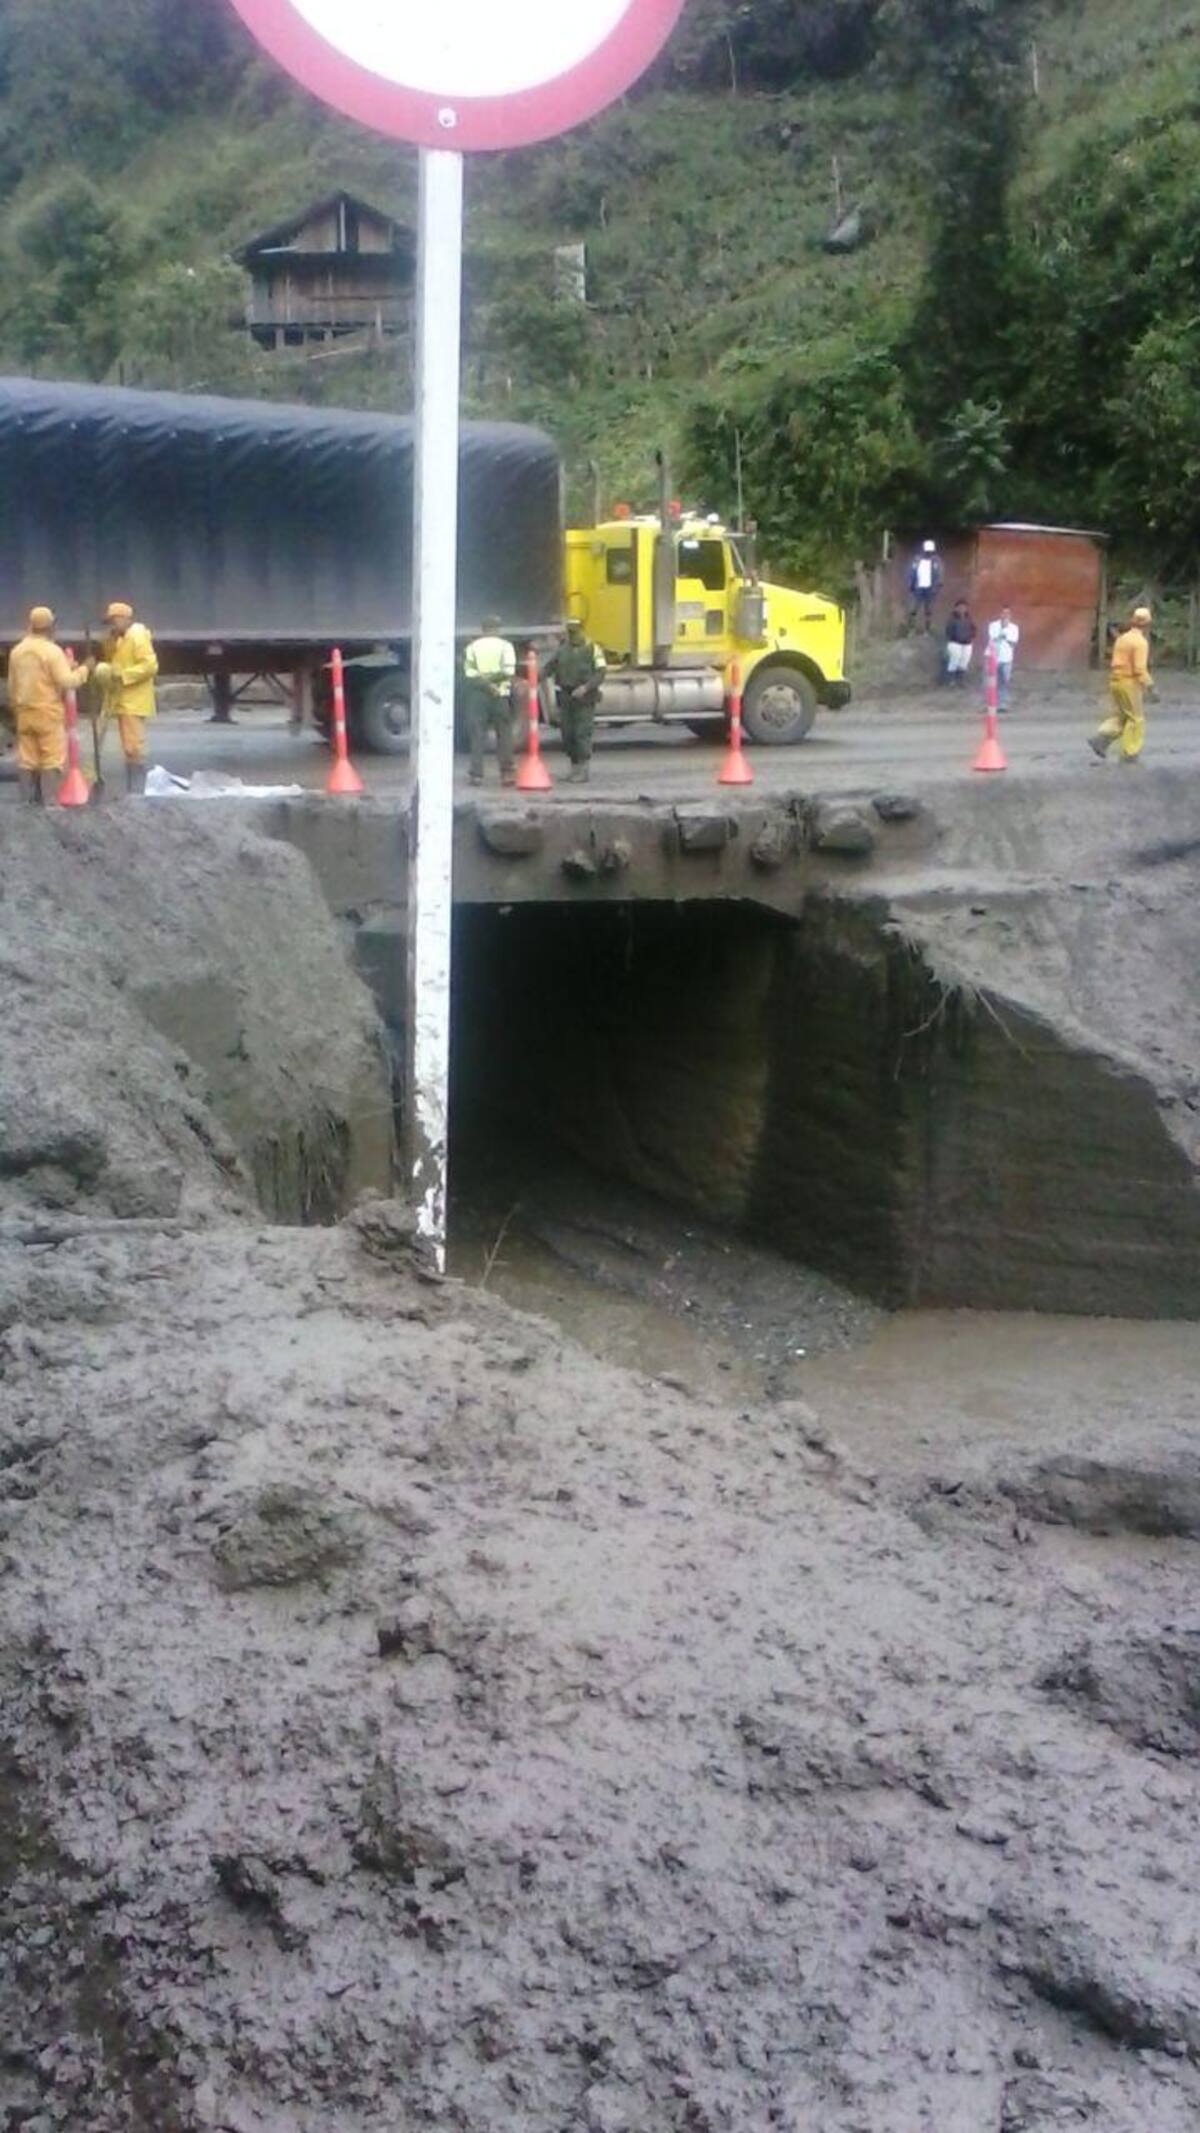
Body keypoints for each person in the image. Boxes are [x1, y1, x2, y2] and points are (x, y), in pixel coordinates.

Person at [6, 606, 88, 805]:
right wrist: (85, 670)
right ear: (50, 627)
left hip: (24, 712)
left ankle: (27, 802)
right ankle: (49, 802)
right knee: (52, 758)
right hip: (47, 713)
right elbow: (67, 681)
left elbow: (12, 686)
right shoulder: (52, 651)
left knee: (27, 758)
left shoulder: (17, 651)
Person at [92, 600, 158, 793]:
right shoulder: (121, 638)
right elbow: (114, 660)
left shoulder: (137, 636)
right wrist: (110, 642)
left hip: (134, 699)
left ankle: (137, 790)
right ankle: (133, 788)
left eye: (113, 622)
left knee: (134, 745)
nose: (111, 627)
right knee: (128, 744)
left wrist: (124, 675)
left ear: (123, 619)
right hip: (122, 698)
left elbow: (150, 666)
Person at [544, 617, 607, 783]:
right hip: (566, 695)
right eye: (570, 631)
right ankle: (574, 768)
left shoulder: (593, 648)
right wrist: (534, 678)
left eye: (575, 631)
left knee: (582, 733)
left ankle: (583, 770)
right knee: (568, 734)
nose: (572, 634)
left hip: (585, 696)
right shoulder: (562, 649)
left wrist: (586, 688)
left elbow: (601, 673)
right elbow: (550, 667)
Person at [1090, 605, 1152, 765]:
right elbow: (1139, 669)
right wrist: (1150, 685)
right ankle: (1130, 752)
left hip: (1115, 680)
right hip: (1128, 682)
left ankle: (1102, 738)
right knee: (1136, 719)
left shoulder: (1122, 638)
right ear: (1147, 624)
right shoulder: (1140, 642)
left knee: (1122, 715)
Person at [462, 616, 517, 786]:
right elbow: (508, 671)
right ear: (497, 629)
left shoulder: (472, 647)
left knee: (477, 734)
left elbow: (469, 674)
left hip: (477, 695)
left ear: (482, 629)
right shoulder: (506, 646)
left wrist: (485, 684)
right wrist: (493, 685)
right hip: (500, 694)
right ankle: (507, 773)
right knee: (504, 734)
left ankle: (476, 774)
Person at [986, 606, 1020, 711]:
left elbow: (1013, 642)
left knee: (1004, 682)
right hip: (993, 657)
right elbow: (993, 637)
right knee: (991, 681)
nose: (1005, 615)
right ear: (1000, 614)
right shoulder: (993, 625)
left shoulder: (1014, 627)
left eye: (1008, 613)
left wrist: (1004, 636)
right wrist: (1003, 633)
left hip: (1007, 658)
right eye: (1003, 613)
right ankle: (990, 704)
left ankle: (1002, 704)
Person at [907, 539, 942, 633]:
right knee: (913, 609)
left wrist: (937, 586)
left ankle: (927, 630)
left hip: (930, 588)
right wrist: (910, 584)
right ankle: (911, 629)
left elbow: (939, 574)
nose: (928, 553)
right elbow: (912, 572)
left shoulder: (936, 560)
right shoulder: (917, 559)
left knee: (929, 610)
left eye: (930, 551)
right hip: (918, 587)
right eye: (927, 551)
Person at [942, 599, 976, 686]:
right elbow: (948, 630)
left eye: (964, 607)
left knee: (964, 662)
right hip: (955, 643)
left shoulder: (969, 618)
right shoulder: (952, 619)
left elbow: (973, 628)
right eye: (960, 607)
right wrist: (955, 637)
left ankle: (960, 681)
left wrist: (971, 637)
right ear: (956, 608)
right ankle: (951, 681)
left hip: (967, 643)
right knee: (954, 660)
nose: (962, 609)